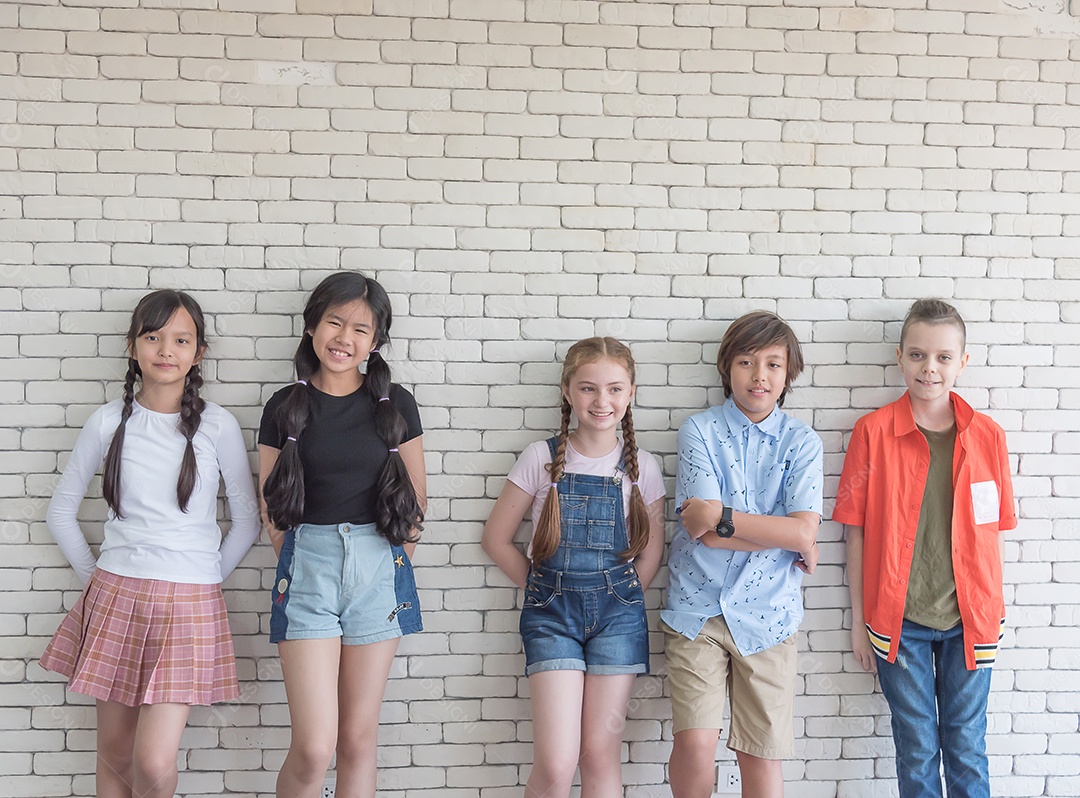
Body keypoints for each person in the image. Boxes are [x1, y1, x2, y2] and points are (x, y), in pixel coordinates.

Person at [40, 289, 260, 798]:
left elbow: (247, 521)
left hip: (189, 606)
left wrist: (200, 581)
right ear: (133, 346)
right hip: (116, 595)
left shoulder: (218, 425)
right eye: (153, 337)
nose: (166, 349)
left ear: (198, 352)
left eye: (181, 340)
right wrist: (98, 581)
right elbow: (59, 512)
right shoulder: (107, 421)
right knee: (115, 755)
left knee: (154, 762)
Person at [834, 299, 1016, 798]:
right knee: (915, 747)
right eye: (917, 355)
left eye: (942, 357)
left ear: (963, 361)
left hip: (972, 618)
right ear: (899, 358)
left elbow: (993, 531)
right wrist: (857, 619)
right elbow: (855, 530)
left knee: (967, 744)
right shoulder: (872, 433)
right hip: (899, 621)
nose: (929, 368)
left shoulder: (988, 437)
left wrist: (993, 610)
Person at [259, 271, 425, 798]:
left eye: (360, 329)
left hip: (379, 566)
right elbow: (273, 509)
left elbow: (415, 500)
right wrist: (303, 559)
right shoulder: (283, 408)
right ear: (312, 326)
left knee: (356, 739)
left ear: (374, 343)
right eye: (334, 322)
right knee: (315, 745)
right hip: (308, 566)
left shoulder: (396, 404)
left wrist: (396, 560)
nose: (344, 338)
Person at [481, 337, 666, 798]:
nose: (602, 401)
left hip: (619, 620)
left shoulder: (644, 466)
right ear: (567, 391)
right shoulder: (539, 458)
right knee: (557, 761)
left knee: (600, 756)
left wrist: (620, 595)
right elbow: (496, 539)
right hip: (551, 617)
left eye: (614, 389)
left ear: (631, 393)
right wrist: (543, 587)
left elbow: (652, 552)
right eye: (587, 388)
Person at [661, 310, 823, 798]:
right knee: (694, 744)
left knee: (760, 756)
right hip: (697, 611)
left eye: (774, 364)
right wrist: (788, 535)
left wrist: (728, 519)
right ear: (726, 368)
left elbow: (800, 531)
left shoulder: (802, 442)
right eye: (747, 362)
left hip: (769, 614)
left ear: (788, 373)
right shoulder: (700, 431)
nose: (760, 376)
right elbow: (703, 533)